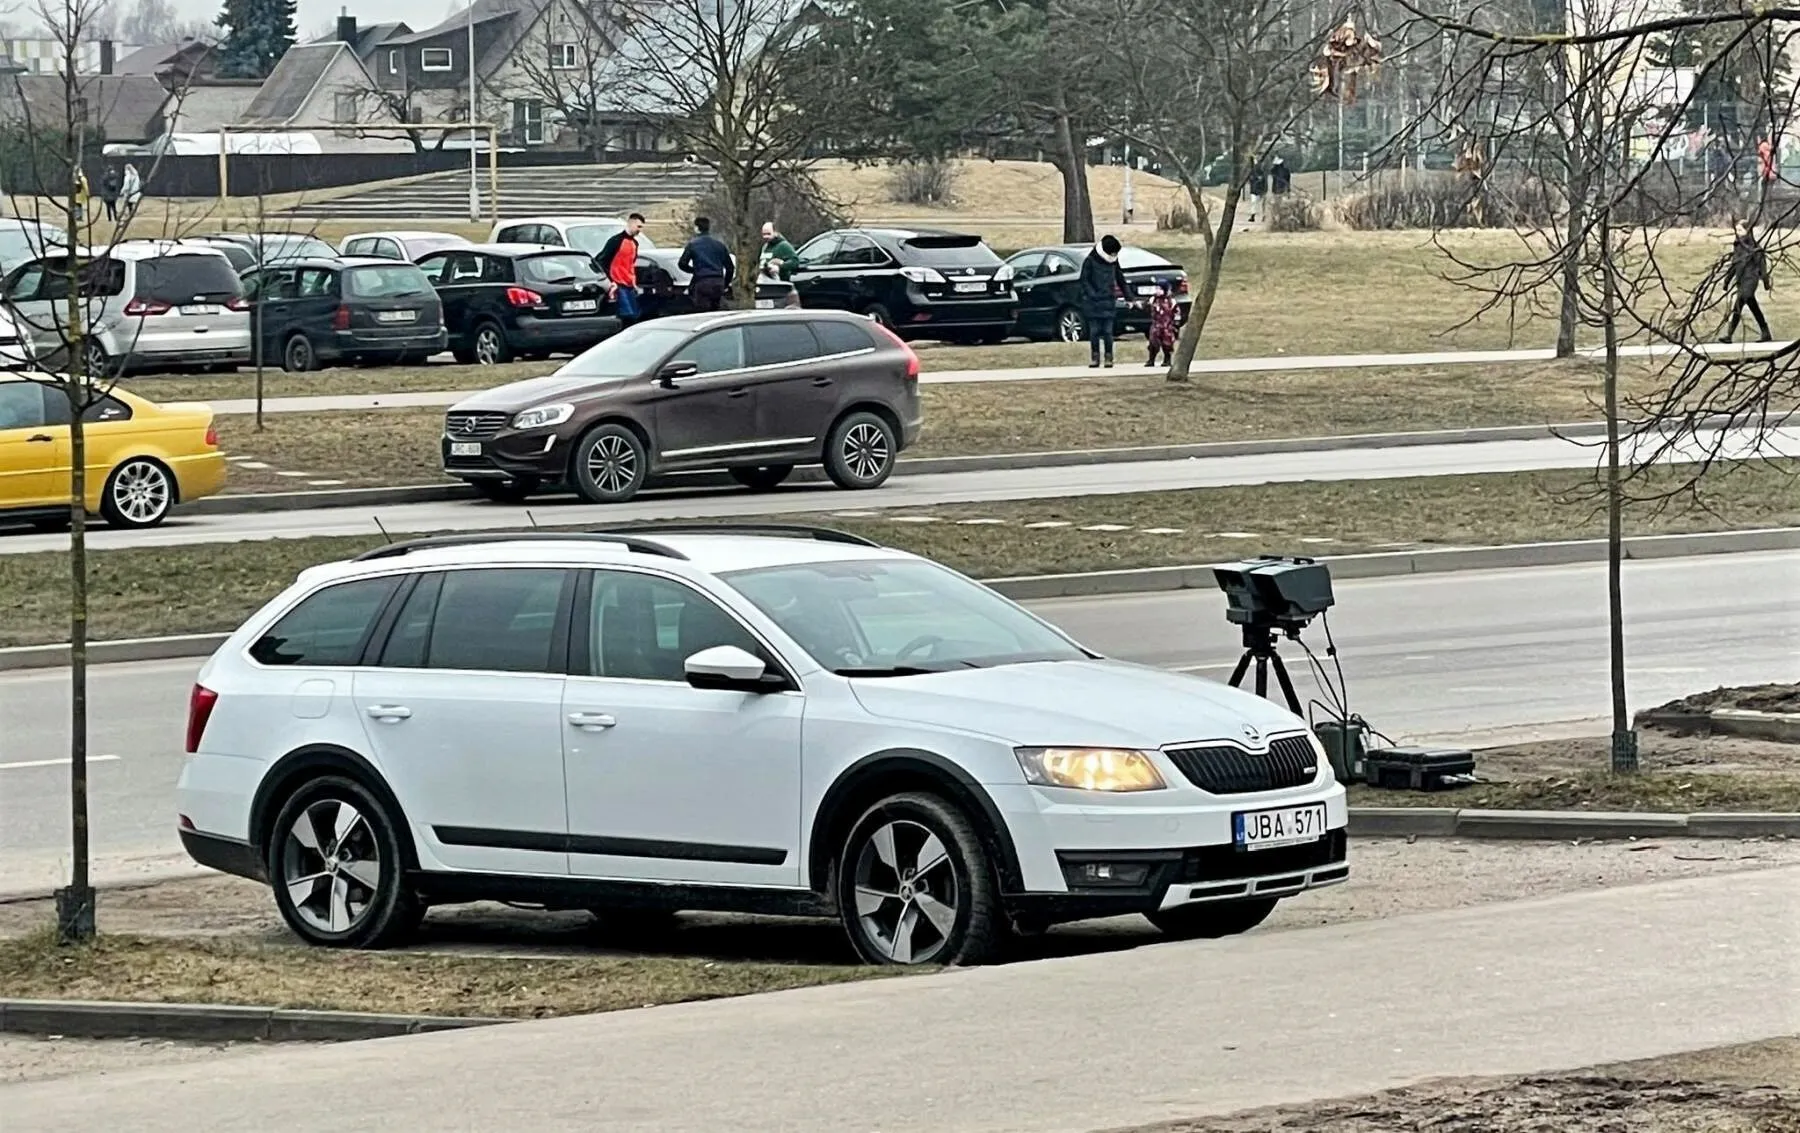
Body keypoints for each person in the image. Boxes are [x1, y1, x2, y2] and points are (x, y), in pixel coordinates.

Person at [1078, 234, 1134, 368]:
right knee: (1095, 331)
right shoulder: (1090, 261)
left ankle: (1109, 357)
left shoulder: (1113, 262)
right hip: (1093, 302)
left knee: (1108, 332)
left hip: (1108, 301)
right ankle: (1095, 357)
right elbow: (1084, 281)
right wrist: (1093, 294)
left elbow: (1121, 279)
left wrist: (1129, 297)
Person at [1721, 219, 1773, 343]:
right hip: (1741, 279)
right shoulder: (1738, 246)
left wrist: (1765, 281)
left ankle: (1729, 335)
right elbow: (1734, 265)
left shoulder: (1754, 247)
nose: (1737, 233)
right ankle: (1765, 332)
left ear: (1747, 231)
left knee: (1740, 302)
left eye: (1740, 230)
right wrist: (1727, 280)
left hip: (1751, 278)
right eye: (1737, 230)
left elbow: (1762, 264)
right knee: (1751, 304)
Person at [595, 212, 647, 325]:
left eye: (641, 227)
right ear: (630, 224)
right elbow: (601, 260)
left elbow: (631, 265)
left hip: (629, 284)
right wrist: (610, 280)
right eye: (638, 227)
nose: (639, 230)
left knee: (635, 315)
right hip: (618, 284)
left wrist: (634, 282)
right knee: (627, 316)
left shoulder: (634, 243)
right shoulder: (616, 241)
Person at [678, 215, 733, 311]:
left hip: (702, 282)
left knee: (702, 311)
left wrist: (694, 271)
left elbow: (682, 264)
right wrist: (725, 283)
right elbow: (730, 267)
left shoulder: (693, 245)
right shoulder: (719, 245)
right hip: (718, 282)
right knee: (717, 311)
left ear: (696, 228)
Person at [1145, 280, 1178, 368]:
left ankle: (1167, 359)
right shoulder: (1153, 300)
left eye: (1159, 289)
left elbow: (1176, 313)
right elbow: (1146, 307)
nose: (1157, 291)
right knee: (1153, 342)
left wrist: (1176, 324)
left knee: (1167, 344)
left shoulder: (1171, 301)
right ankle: (1151, 359)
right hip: (1156, 325)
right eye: (1156, 288)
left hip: (1167, 326)